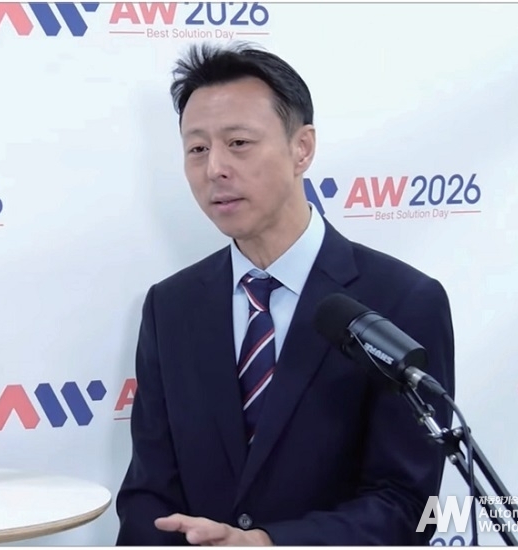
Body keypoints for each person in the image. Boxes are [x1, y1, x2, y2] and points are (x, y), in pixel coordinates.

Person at [115, 41, 455, 546]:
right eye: (197, 149)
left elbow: (407, 504)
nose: (214, 169)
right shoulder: (171, 307)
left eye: (239, 143)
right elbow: (148, 492)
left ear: (302, 148)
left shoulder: (402, 300)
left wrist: (268, 542)